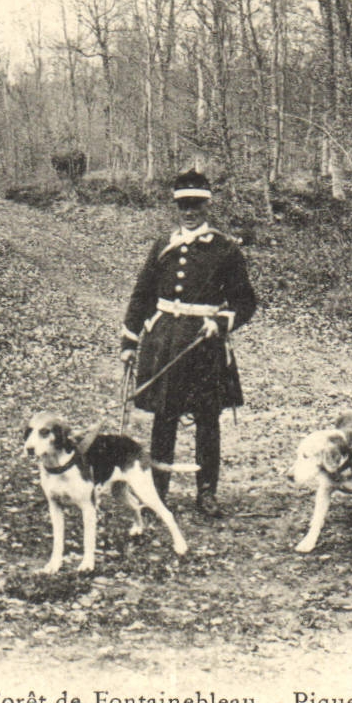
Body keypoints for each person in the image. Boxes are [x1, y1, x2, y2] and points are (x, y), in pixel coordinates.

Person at [121, 170, 258, 518]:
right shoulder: (162, 247)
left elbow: (246, 302)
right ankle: (158, 492)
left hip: (205, 348)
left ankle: (206, 492)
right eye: (183, 205)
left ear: (206, 206)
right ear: (176, 207)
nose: (189, 212)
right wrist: (130, 340)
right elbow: (142, 296)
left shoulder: (225, 250)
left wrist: (221, 322)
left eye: (196, 205)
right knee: (163, 419)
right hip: (165, 342)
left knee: (207, 420)